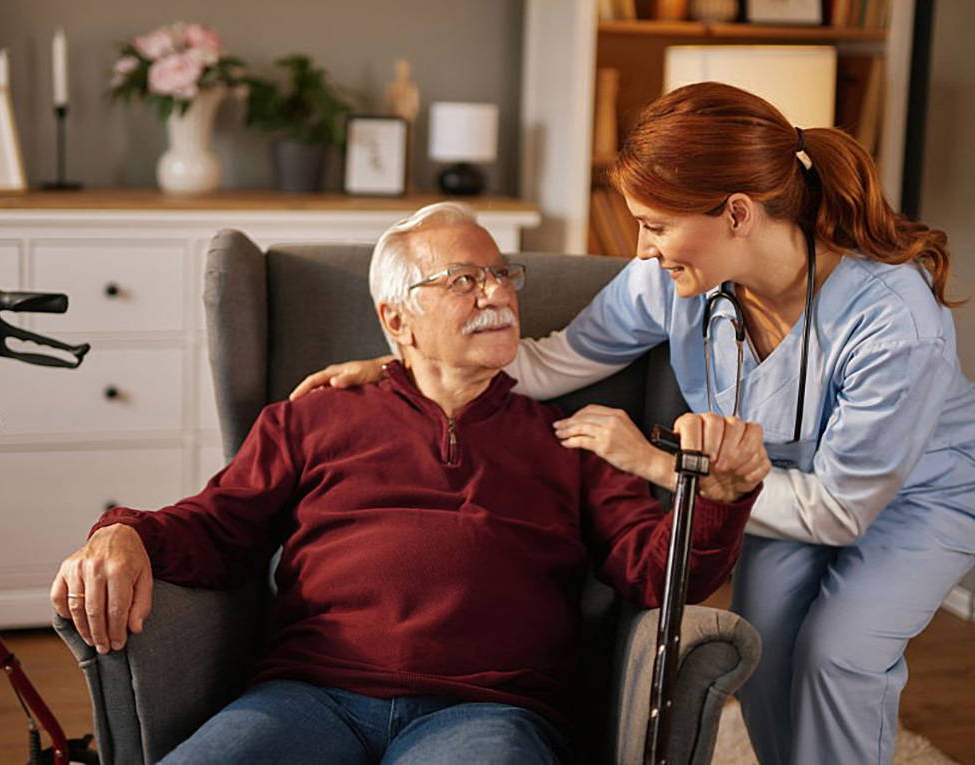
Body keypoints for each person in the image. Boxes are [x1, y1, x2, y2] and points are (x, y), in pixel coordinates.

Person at [292, 82, 975, 765]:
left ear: (736, 213)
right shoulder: (668, 279)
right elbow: (545, 364)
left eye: (655, 224)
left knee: (839, 652)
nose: (642, 248)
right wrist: (402, 359)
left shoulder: (893, 321)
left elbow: (841, 511)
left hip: (916, 498)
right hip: (784, 491)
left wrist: (656, 463)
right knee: (765, 638)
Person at [52, 201, 769, 764]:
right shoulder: (311, 418)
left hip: (489, 710)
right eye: (464, 279)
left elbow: (658, 572)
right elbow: (217, 526)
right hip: (308, 695)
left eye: (501, 275)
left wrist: (720, 500)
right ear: (397, 318)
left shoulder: (572, 437)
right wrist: (125, 531)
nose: (496, 293)